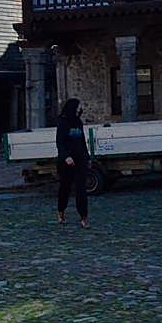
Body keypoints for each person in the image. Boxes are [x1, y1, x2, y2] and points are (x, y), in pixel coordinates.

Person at [56, 98, 90, 229]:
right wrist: (66, 156)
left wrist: (87, 157)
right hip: (66, 161)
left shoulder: (78, 122)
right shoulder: (63, 123)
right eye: (77, 108)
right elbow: (60, 142)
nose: (79, 110)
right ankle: (61, 211)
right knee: (65, 187)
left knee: (81, 188)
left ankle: (84, 217)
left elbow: (82, 140)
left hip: (80, 159)